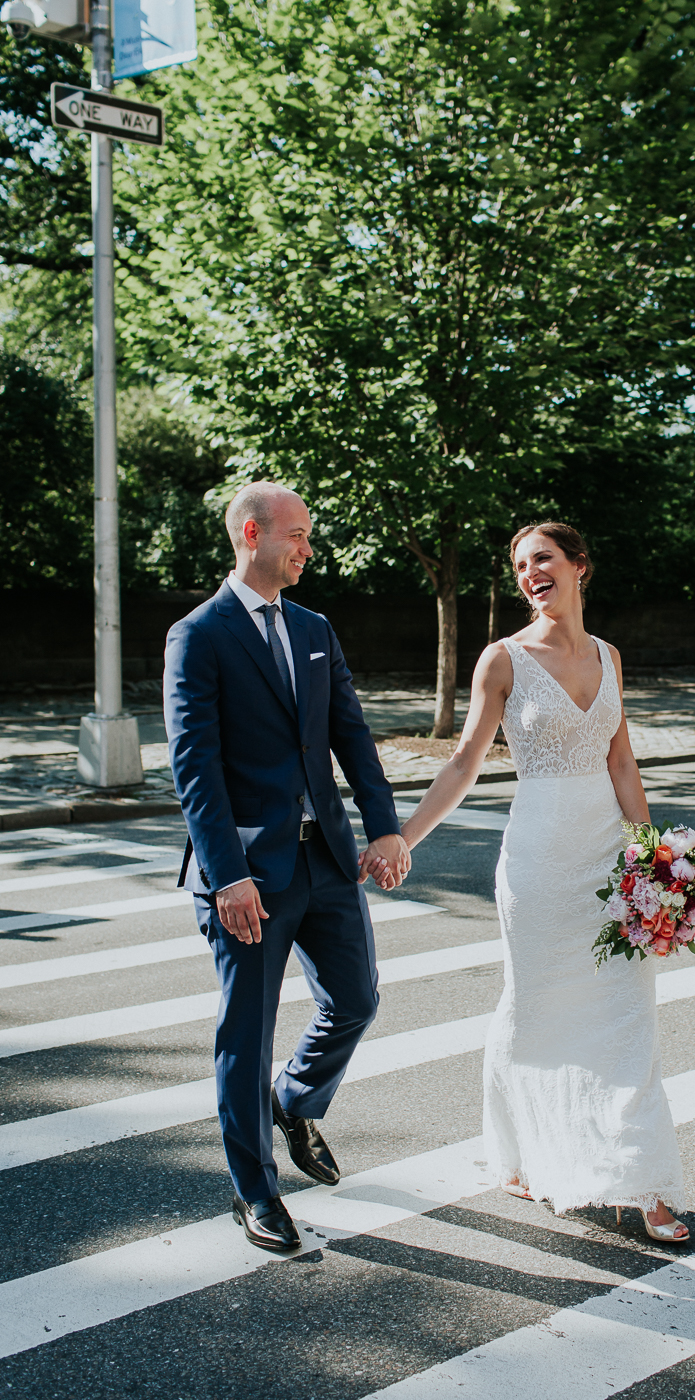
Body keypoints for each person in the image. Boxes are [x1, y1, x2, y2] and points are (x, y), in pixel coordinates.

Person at [398, 521, 688, 1242]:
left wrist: (653, 862)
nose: (531, 573)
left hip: (607, 858)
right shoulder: (502, 660)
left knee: (628, 1016)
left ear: (579, 567)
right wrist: (400, 839)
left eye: (543, 559)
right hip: (535, 860)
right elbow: (465, 762)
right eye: (521, 565)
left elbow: (622, 764)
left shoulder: (609, 656)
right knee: (533, 1009)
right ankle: (522, 1149)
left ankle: (646, 1183)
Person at [163, 481, 410, 1253]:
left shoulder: (313, 627)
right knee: (247, 1032)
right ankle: (255, 1192)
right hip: (248, 875)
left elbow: (351, 736)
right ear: (251, 533)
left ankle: (295, 1099)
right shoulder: (197, 634)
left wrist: (384, 830)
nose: (308, 549)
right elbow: (194, 766)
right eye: (297, 535)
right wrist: (228, 872)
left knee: (358, 998)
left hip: (327, 859)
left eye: (307, 536)